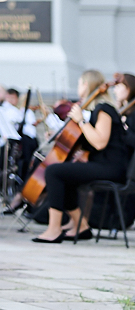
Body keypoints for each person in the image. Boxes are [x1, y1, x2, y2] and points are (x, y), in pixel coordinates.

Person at [33, 70, 130, 244]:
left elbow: (100, 142)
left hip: (111, 168)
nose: (78, 87)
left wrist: (81, 121)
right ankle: (81, 225)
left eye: (79, 83)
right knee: (65, 177)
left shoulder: (104, 109)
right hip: (103, 165)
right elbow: (89, 140)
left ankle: (54, 229)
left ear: (86, 84)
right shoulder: (97, 110)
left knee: (54, 172)